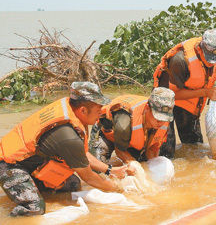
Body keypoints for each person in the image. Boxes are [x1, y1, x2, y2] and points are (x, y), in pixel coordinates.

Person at [0, 82, 128, 217]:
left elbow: (83, 154)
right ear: (83, 110)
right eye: (98, 109)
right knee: (34, 209)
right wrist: (118, 189)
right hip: (8, 165)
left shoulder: (71, 109)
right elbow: (89, 177)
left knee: (73, 184)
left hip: (30, 160)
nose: (101, 112)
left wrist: (109, 170)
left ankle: (32, 188)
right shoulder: (68, 136)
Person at [153, 29, 216, 158]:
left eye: (215, 59)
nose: (211, 63)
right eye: (209, 59)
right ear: (201, 48)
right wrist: (205, 92)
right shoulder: (180, 60)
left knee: (195, 148)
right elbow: (172, 95)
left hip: (189, 100)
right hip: (165, 99)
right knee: (166, 151)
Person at [89, 87, 175, 164]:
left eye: (164, 119)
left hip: (131, 136)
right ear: (147, 108)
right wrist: (133, 165)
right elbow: (120, 150)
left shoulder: (165, 119)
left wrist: (152, 166)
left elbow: (152, 149)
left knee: (143, 162)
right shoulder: (125, 121)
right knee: (98, 168)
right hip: (107, 130)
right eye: (157, 117)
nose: (160, 122)